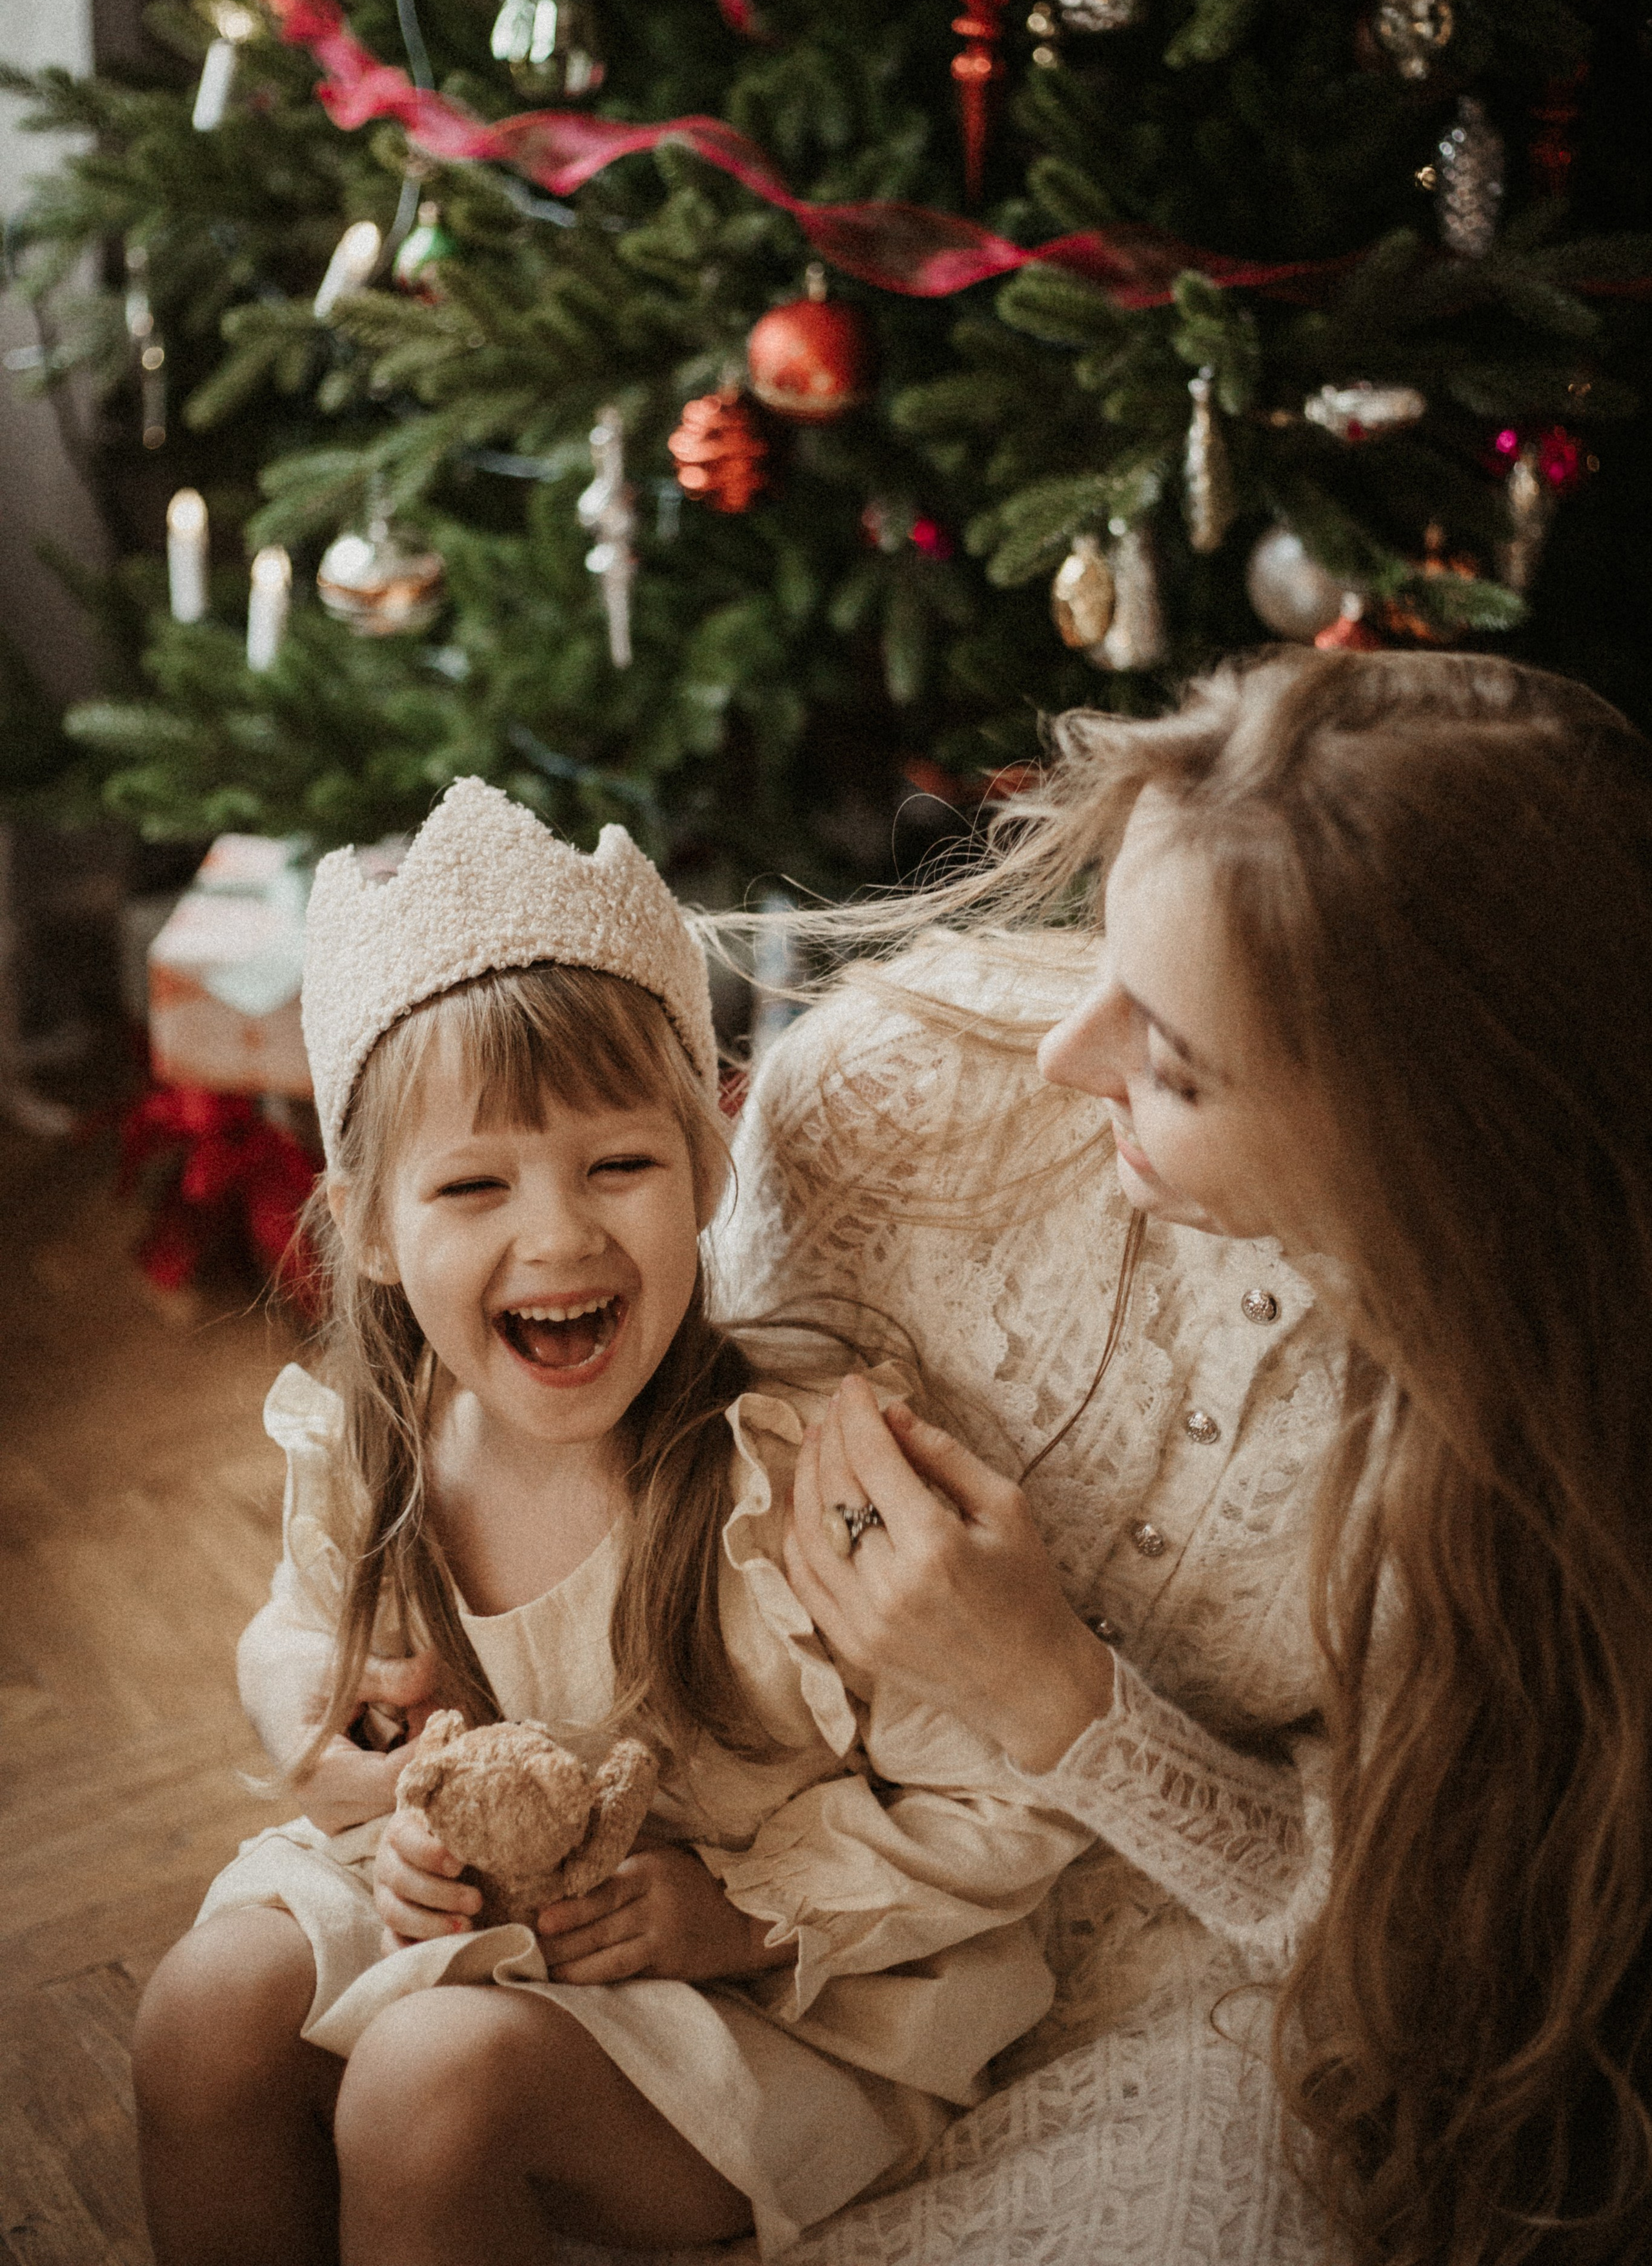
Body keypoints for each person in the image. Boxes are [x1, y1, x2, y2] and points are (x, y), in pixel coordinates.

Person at [707, 647, 1652, 2266]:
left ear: (1412, 1132)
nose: (1066, 1053)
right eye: (1105, 951)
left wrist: (1051, 1697)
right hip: (757, 1869)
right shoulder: (889, 1099)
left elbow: (1393, 1964)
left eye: (1174, 1059)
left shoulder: (1526, 1437)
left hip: (1187, 1998)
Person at [130, 777, 1094, 2266]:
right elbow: (302, 1645)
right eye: (473, 1183)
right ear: (371, 1226)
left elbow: (1001, 1795)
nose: (559, 1233)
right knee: (200, 2013)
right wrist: (378, 1798)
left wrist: (745, 1915)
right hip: (494, 1934)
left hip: (772, 1997)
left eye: (619, 1165)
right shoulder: (371, 1454)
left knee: (427, 2086)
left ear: (706, 1165)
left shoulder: (799, 1478)